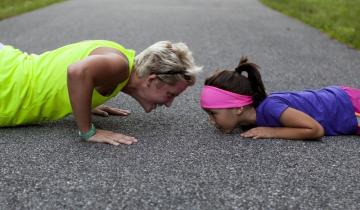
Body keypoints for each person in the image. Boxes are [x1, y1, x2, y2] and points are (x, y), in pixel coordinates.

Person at [0, 40, 201, 145]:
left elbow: (71, 72)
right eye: (171, 94)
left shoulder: (120, 63)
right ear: (152, 80)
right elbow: (77, 72)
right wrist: (88, 130)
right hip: (7, 82)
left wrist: (83, 101)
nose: (169, 104)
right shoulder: (119, 66)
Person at [200, 57, 360, 140]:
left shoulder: (270, 108)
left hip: (350, 107)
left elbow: (315, 130)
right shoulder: (253, 117)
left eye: (213, 114)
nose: (211, 120)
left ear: (238, 108)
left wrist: (272, 132)